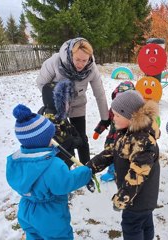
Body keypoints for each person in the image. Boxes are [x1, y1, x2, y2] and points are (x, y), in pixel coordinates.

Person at [6, 104, 92, 239]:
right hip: (50, 215)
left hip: (26, 210)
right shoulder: (53, 165)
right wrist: (86, 171)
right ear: (44, 140)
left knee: (33, 236)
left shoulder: (15, 161)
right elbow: (65, 183)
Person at [86, 90, 160, 240]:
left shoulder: (142, 141)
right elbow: (113, 152)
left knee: (132, 226)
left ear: (131, 116)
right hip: (141, 197)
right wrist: (91, 166)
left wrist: (121, 199)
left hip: (138, 198)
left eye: (117, 115)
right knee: (145, 223)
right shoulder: (127, 132)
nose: (113, 119)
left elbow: (136, 176)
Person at [36, 37, 109, 165]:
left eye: (84, 60)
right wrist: (54, 100)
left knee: (81, 138)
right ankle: (66, 171)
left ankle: (86, 170)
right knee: (62, 139)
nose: (81, 64)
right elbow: (42, 83)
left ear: (90, 58)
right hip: (57, 107)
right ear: (71, 54)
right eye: (77, 60)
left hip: (78, 104)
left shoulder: (91, 69)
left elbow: (100, 93)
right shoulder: (55, 62)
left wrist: (105, 118)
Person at [93, 81, 135, 182]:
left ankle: (126, 171)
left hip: (127, 140)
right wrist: (98, 131)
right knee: (111, 155)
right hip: (112, 138)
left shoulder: (134, 112)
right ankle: (112, 172)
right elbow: (106, 120)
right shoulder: (113, 110)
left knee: (125, 156)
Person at [38, 79, 83, 169]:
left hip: (66, 160)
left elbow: (70, 128)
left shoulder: (58, 115)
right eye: (66, 102)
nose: (69, 104)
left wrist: (75, 135)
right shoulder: (51, 122)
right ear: (56, 103)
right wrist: (74, 141)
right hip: (60, 164)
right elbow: (60, 143)